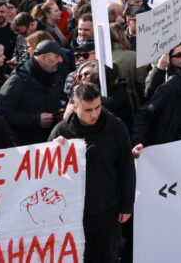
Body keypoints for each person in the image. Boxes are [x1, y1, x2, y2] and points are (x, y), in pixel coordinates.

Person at [50, 83, 135, 263]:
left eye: (98, 107)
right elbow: (46, 172)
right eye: (88, 110)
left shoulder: (116, 128)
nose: (94, 114)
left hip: (108, 210)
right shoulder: (61, 131)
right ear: (75, 105)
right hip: (73, 214)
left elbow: (126, 168)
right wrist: (53, 150)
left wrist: (127, 204)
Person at [0, 40, 69, 145]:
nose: (61, 60)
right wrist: (35, 120)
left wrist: (62, 110)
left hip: (52, 141)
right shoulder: (17, 80)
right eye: (57, 56)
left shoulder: (55, 75)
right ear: (43, 58)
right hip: (27, 146)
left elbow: (62, 97)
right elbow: (4, 113)